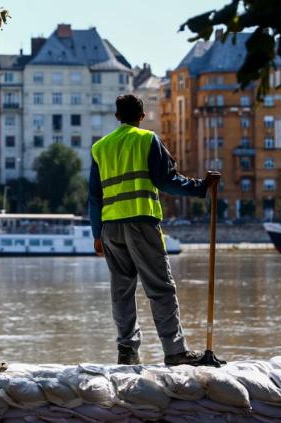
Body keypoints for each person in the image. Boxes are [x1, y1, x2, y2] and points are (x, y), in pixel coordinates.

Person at [88, 94, 221, 366]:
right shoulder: (147, 140)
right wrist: (201, 187)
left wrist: (96, 234)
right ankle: (174, 352)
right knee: (160, 288)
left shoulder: (100, 147)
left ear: (117, 117)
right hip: (141, 223)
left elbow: (94, 196)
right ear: (142, 116)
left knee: (121, 292)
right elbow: (166, 180)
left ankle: (127, 351)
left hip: (111, 228)